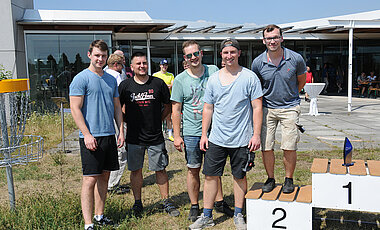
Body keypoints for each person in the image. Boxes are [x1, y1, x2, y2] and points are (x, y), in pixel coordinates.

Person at [189, 38, 263, 230]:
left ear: (239, 53)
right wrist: (204, 134)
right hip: (217, 138)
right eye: (225, 52)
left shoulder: (249, 77)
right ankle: (207, 216)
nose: (229, 56)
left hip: (242, 139)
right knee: (211, 176)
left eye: (232, 52)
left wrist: (256, 135)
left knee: (239, 176)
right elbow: (208, 108)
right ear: (221, 55)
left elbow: (257, 107)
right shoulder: (213, 79)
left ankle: (239, 214)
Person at [171, 40, 233, 222]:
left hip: (215, 131)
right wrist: (176, 135)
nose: (193, 58)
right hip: (191, 132)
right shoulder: (180, 80)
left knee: (214, 170)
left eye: (196, 53)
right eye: (189, 55)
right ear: (185, 58)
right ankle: (194, 205)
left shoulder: (213, 71)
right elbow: (175, 110)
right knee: (193, 169)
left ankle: (220, 202)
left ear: (201, 53)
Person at [69, 40, 125, 230]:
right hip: (91, 137)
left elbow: (117, 107)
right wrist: (87, 134)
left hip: (109, 135)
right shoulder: (81, 79)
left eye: (103, 56)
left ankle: (100, 216)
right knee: (90, 179)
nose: (100, 59)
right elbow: (75, 109)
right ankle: (88, 223)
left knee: (105, 177)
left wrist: (120, 131)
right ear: (89, 55)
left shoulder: (111, 79)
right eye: (97, 55)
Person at [118, 52, 180, 217]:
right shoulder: (125, 86)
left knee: (160, 169)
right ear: (131, 67)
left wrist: (158, 119)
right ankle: (138, 203)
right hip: (134, 137)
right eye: (138, 64)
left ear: (148, 65)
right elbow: (118, 108)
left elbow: (167, 105)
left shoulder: (158, 84)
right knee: (136, 170)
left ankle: (166, 201)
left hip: (155, 137)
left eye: (144, 63)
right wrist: (126, 121)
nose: (142, 66)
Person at [252, 24, 306, 194]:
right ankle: (270, 178)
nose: (272, 41)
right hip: (267, 108)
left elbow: (301, 81)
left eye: (276, 37)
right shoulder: (258, 63)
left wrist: (291, 96)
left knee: (289, 145)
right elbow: (256, 87)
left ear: (282, 38)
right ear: (263, 41)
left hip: (290, 107)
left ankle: (289, 179)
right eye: (269, 38)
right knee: (266, 146)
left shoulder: (296, 58)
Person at [104, 54, 130, 195]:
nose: (123, 66)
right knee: (121, 150)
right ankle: (112, 184)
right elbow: (121, 101)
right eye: (122, 64)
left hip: (105, 119)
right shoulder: (116, 76)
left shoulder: (103, 74)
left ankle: (108, 182)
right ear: (116, 65)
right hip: (116, 117)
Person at [153, 59, 175, 141]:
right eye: (163, 65)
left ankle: (170, 135)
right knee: (158, 117)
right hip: (158, 99)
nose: (164, 66)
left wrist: (164, 86)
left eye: (166, 65)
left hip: (167, 99)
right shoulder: (155, 75)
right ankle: (160, 134)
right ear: (160, 66)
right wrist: (166, 86)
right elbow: (155, 86)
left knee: (168, 118)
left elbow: (172, 85)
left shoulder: (171, 75)